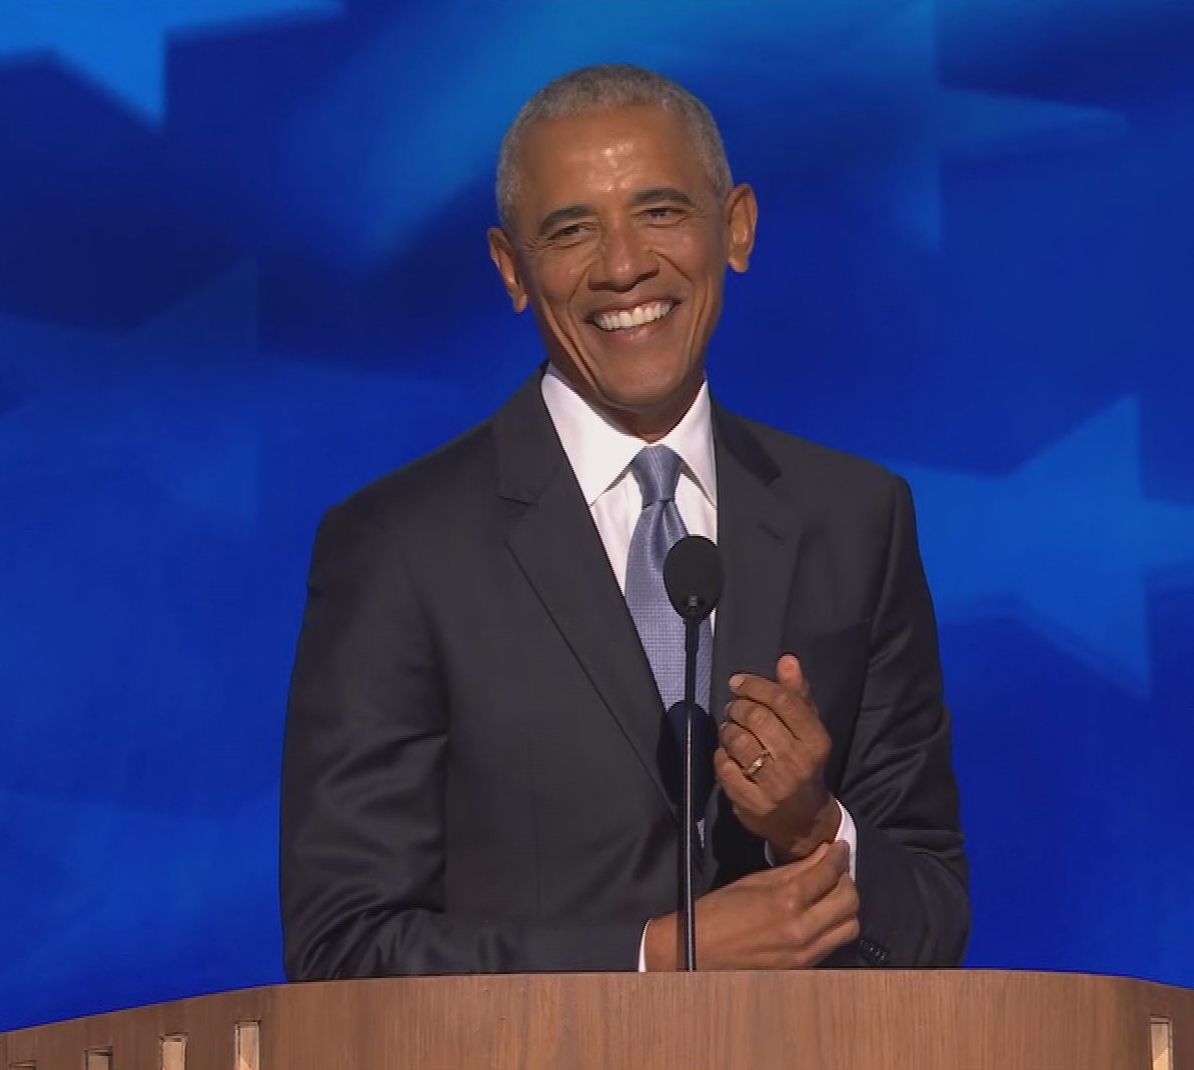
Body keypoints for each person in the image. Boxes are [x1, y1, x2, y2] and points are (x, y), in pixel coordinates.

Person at [280, 64, 969, 978]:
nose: (621, 266)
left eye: (661, 213)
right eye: (570, 230)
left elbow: (931, 921)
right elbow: (344, 950)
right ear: (511, 271)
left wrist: (810, 830)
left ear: (737, 228)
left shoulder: (856, 520)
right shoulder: (399, 549)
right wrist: (654, 959)